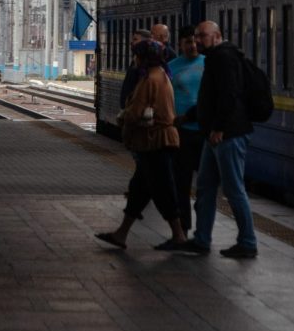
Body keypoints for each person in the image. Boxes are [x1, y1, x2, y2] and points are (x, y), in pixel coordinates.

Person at [95, 40, 190, 251]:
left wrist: (123, 117)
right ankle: (121, 234)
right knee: (139, 189)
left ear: (145, 58)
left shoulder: (150, 79)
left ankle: (179, 235)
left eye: (137, 56)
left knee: (163, 189)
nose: (134, 60)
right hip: (158, 141)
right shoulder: (163, 74)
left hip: (155, 141)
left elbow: (135, 111)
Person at [180, 20, 257, 258]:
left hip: (227, 135)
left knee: (233, 190)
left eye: (202, 36)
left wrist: (220, 128)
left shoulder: (224, 58)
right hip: (214, 135)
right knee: (205, 187)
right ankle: (202, 238)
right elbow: (210, 98)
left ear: (217, 35)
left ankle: (248, 241)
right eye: (196, 36)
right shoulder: (215, 58)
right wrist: (190, 116)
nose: (198, 40)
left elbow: (229, 95)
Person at [166, 24, 205, 234]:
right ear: (180, 44)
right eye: (188, 42)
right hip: (181, 131)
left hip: (203, 131)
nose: (193, 45)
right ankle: (184, 227)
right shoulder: (172, 67)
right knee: (181, 182)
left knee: (205, 184)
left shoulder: (208, 64)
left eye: (195, 41)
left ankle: (203, 229)